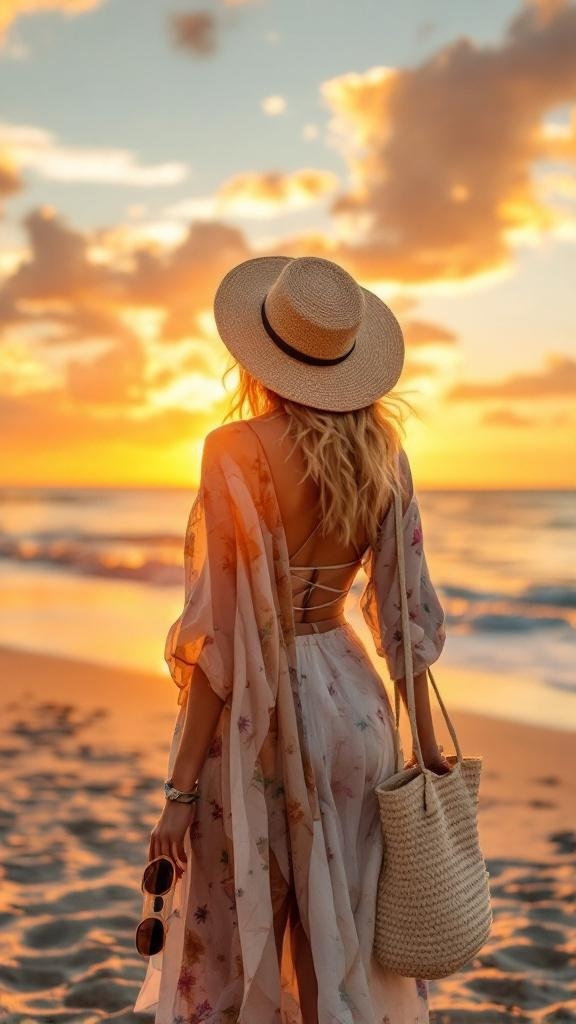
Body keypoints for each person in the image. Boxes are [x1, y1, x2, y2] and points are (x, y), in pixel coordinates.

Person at [134, 255, 449, 1024]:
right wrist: (427, 744)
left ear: (261, 354)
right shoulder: (385, 455)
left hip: (263, 711)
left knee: (250, 922)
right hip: (355, 709)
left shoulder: (233, 450)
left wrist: (179, 793)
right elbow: (405, 618)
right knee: (332, 933)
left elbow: (219, 640)